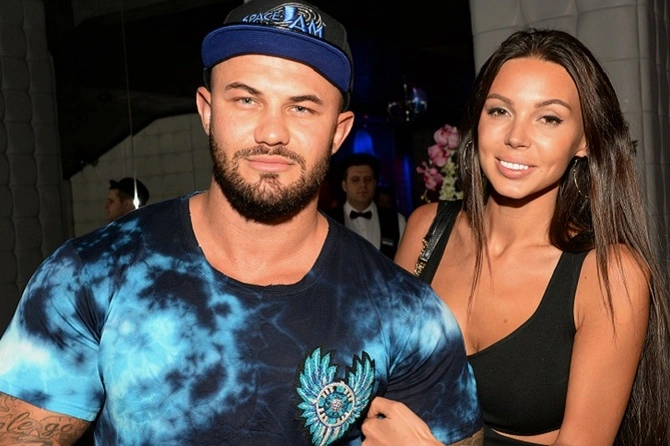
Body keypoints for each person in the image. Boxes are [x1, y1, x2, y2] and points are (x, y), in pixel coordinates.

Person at [0, 1, 483, 444]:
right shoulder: (91, 273)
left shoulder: (409, 315)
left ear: (338, 132)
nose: (271, 132)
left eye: (301, 107)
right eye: (246, 100)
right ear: (207, 111)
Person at [362, 28, 670, 445]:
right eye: (500, 111)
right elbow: (381, 381)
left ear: (584, 140)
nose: (516, 137)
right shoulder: (425, 229)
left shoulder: (609, 274)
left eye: (549, 118)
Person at [325, 153, 406, 259]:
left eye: (368, 179)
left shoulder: (396, 220)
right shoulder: (327, 221)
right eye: (355, 180)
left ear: (375, 183)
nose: (363, 185)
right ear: (344, 185)